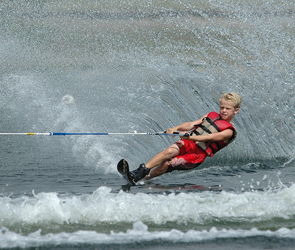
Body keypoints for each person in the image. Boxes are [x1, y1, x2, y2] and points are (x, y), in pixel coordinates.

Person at [130, 92, 242, 183]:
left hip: (196, 155)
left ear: (235, 110)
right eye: (222, 107)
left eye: (228, 108)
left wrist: (190, 137)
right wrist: (175, 129)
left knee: (167, 164)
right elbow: (190, 125)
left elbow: (209, 137)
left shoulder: (229, 132)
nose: (223, 111)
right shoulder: (211, 115)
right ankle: (139, 172)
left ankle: (144, 179)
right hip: (189, 143)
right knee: (169, 151)